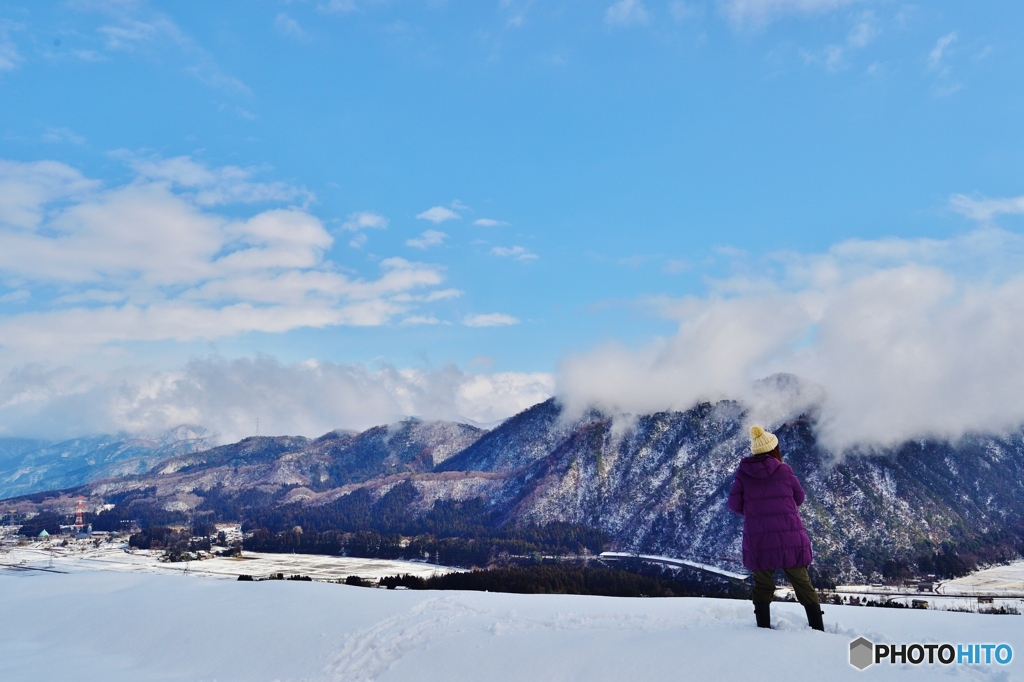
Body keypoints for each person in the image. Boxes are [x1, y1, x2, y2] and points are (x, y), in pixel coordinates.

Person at [727, 425, 824, 631]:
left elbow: (734, 505)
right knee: (802, 583)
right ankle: (817, 627)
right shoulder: (784, 470)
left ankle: (762, 628)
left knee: (763, 585)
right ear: (773, 449)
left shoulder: (743, 474)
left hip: (759, 539)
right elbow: (800, 497)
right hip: (791, 536)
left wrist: (756, 512)